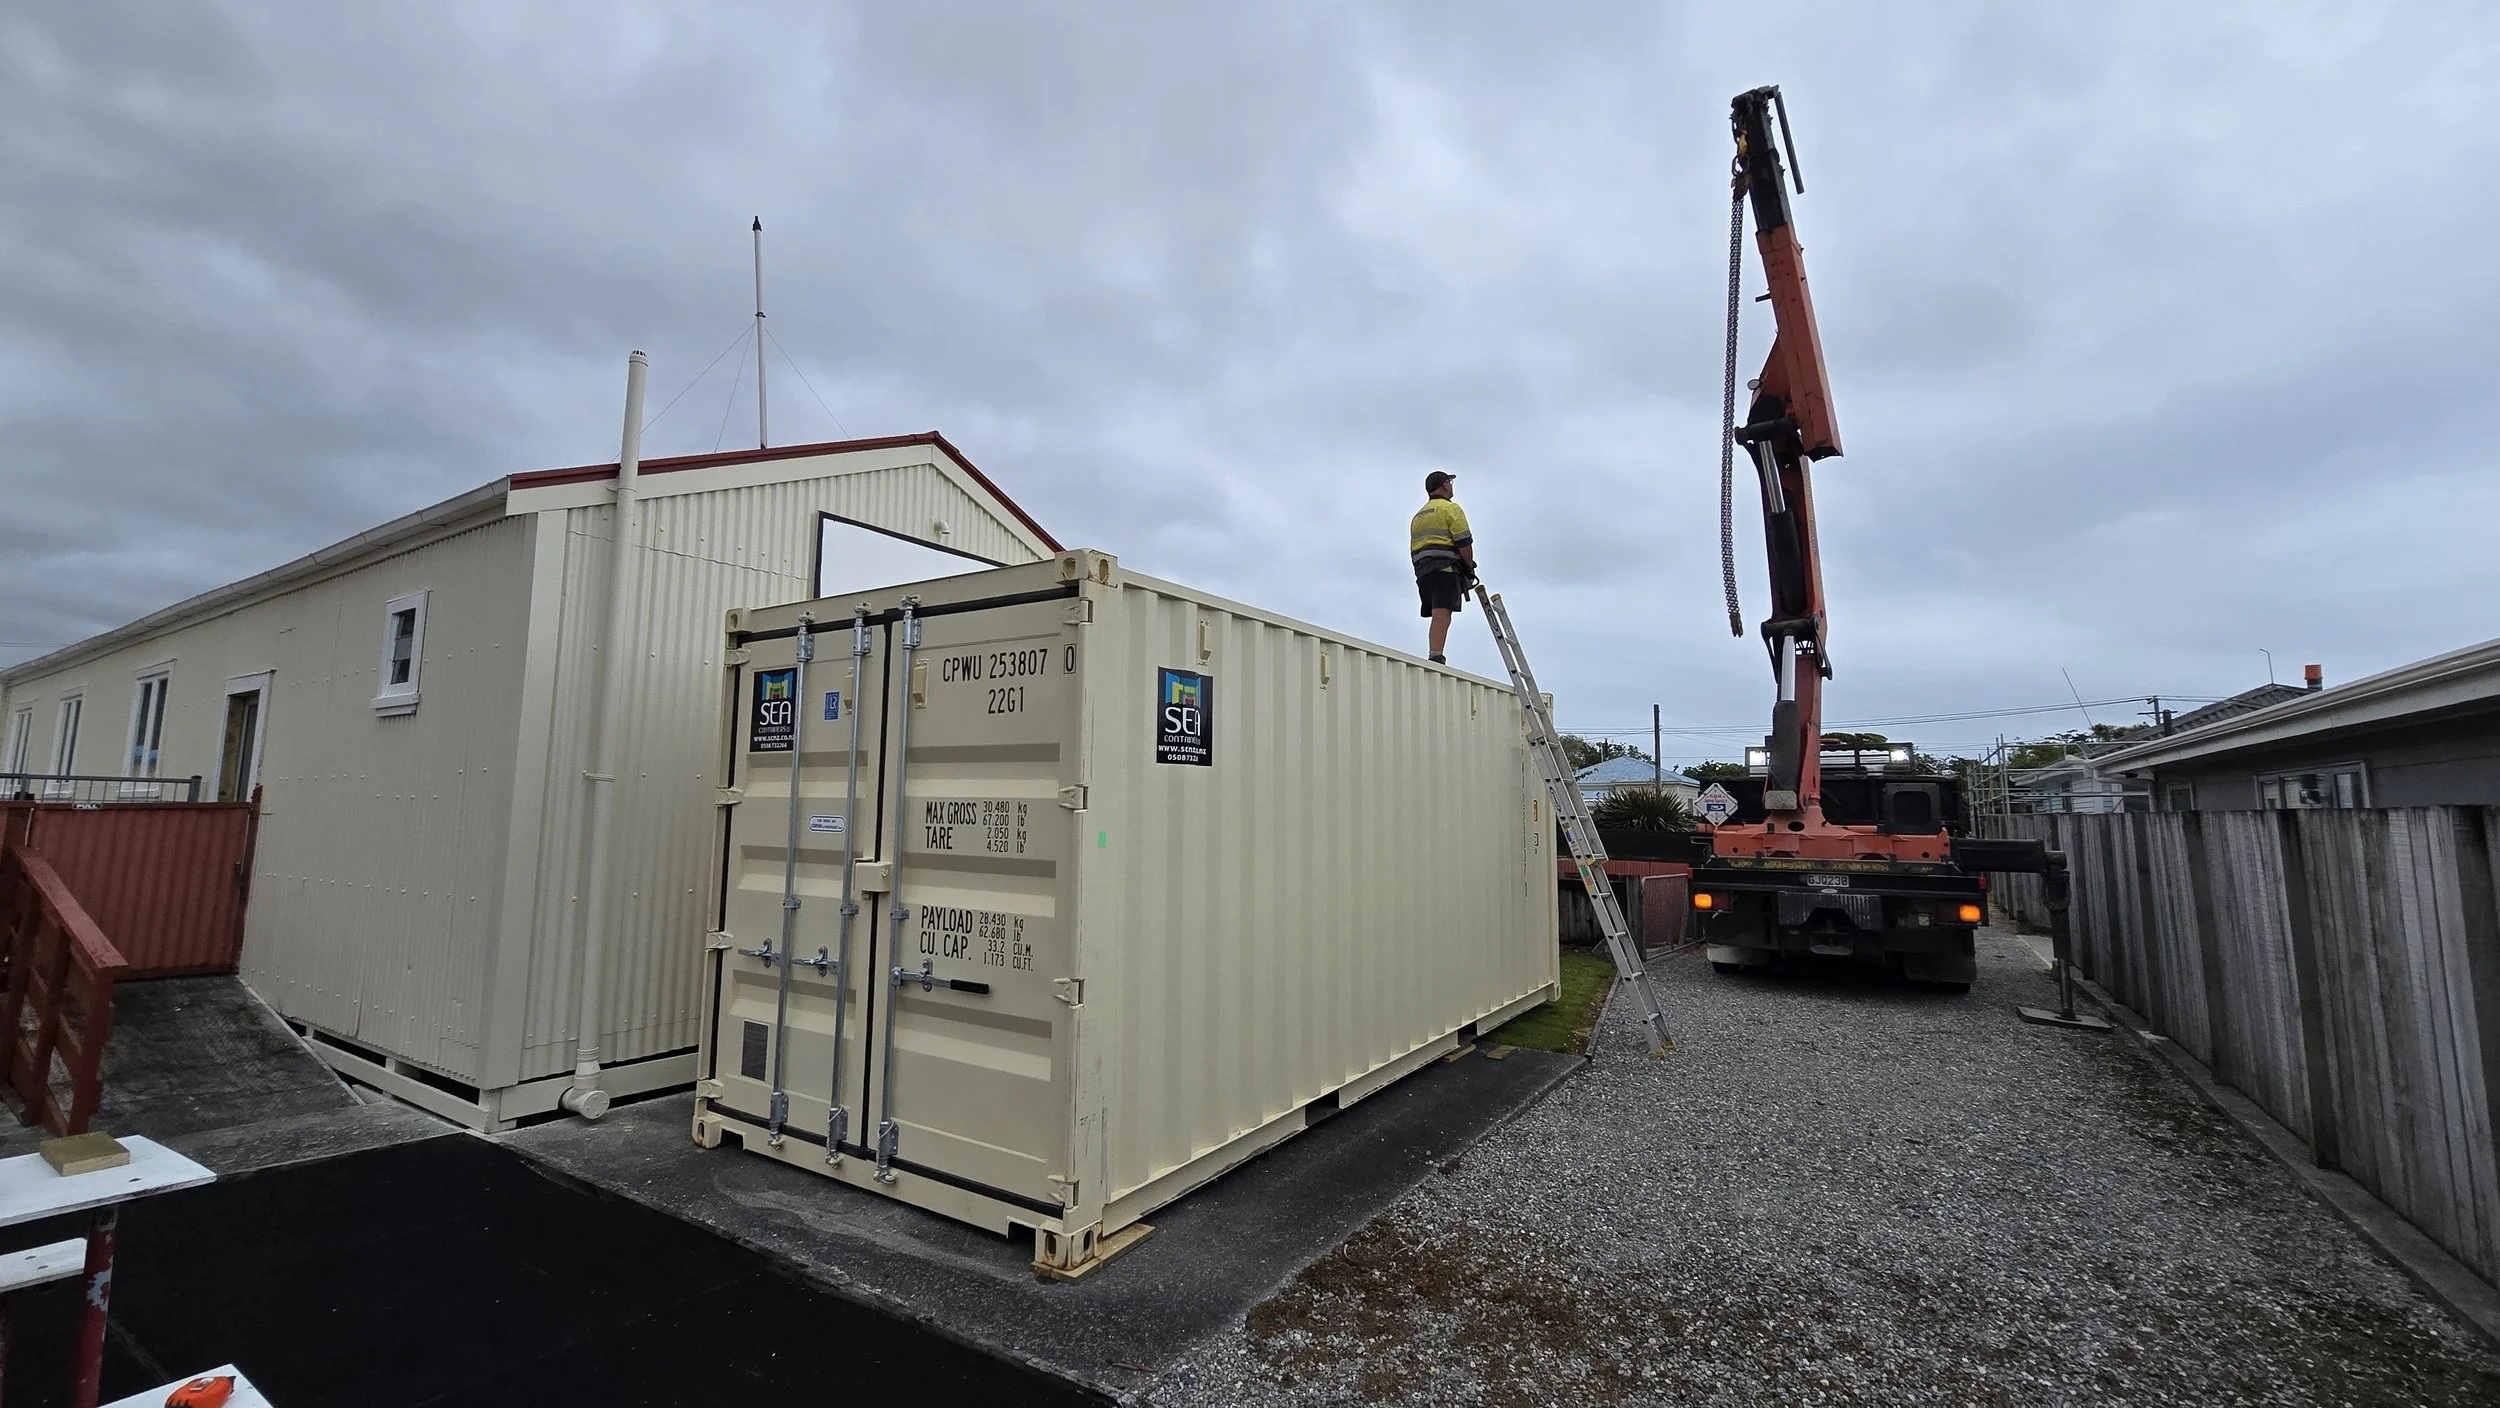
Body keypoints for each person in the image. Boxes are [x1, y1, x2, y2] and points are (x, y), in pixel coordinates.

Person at [1409, 470, 1475, 663]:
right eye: (1450, 482)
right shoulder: (1450, 509)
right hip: (1445, 568)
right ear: (1445, 485)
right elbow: (1464, 542)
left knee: (1438, 612)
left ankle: (1435, 652)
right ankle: (1436, 655)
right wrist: (1469, 567)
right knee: (1443, 611)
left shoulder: (1418, 515)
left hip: (1423, 572)